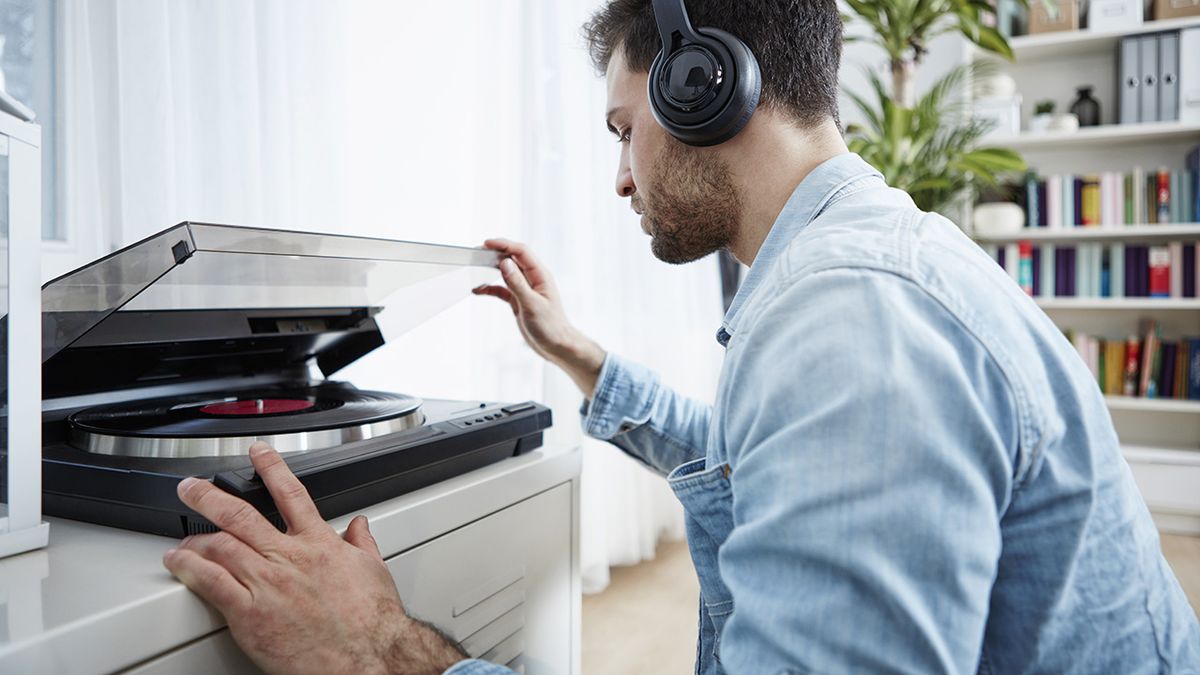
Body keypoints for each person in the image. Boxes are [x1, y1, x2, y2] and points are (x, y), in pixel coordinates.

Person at [164, 1, 1200, 673]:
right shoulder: (859, 265)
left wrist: (377, 649)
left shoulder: (852, 317)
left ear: (703, 87)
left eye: (625, 130)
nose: (620, 177)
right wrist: (577, 352)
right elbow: (752, 457)